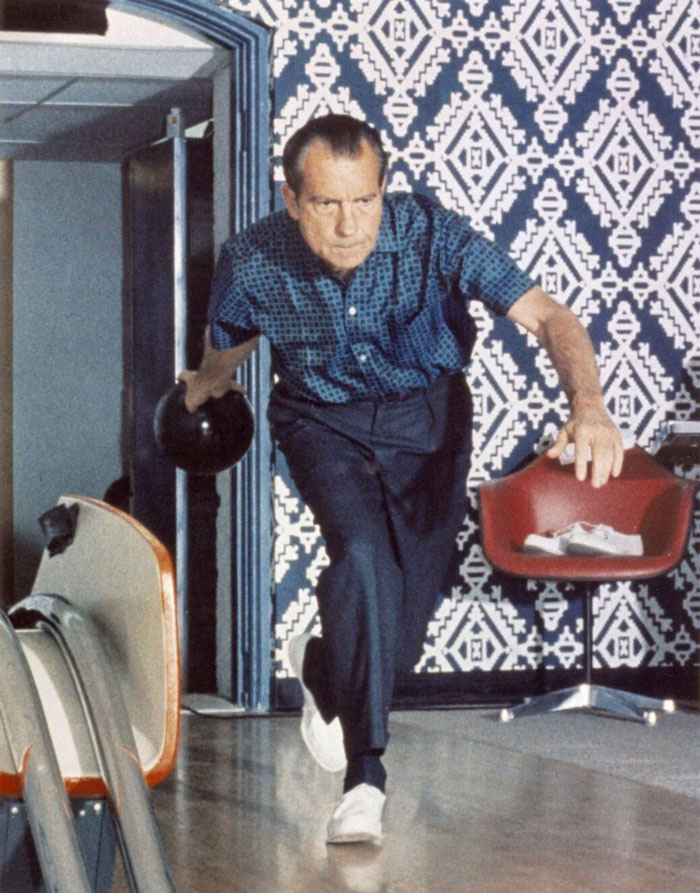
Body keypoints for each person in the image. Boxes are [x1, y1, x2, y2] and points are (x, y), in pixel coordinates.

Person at [180, 114, 623, 844]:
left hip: (430, 422)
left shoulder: (432, 233)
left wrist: (590, 406)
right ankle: (366, 777)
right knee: (360, 557)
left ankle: (325, 667)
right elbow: (227, 346)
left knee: (406, 615)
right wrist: (203, 386)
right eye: (326, 204)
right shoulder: (251, 260)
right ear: (292, 201)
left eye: (365, 200)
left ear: (385, 191)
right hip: (322, 421)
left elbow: (548, 316)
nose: (350, 224)